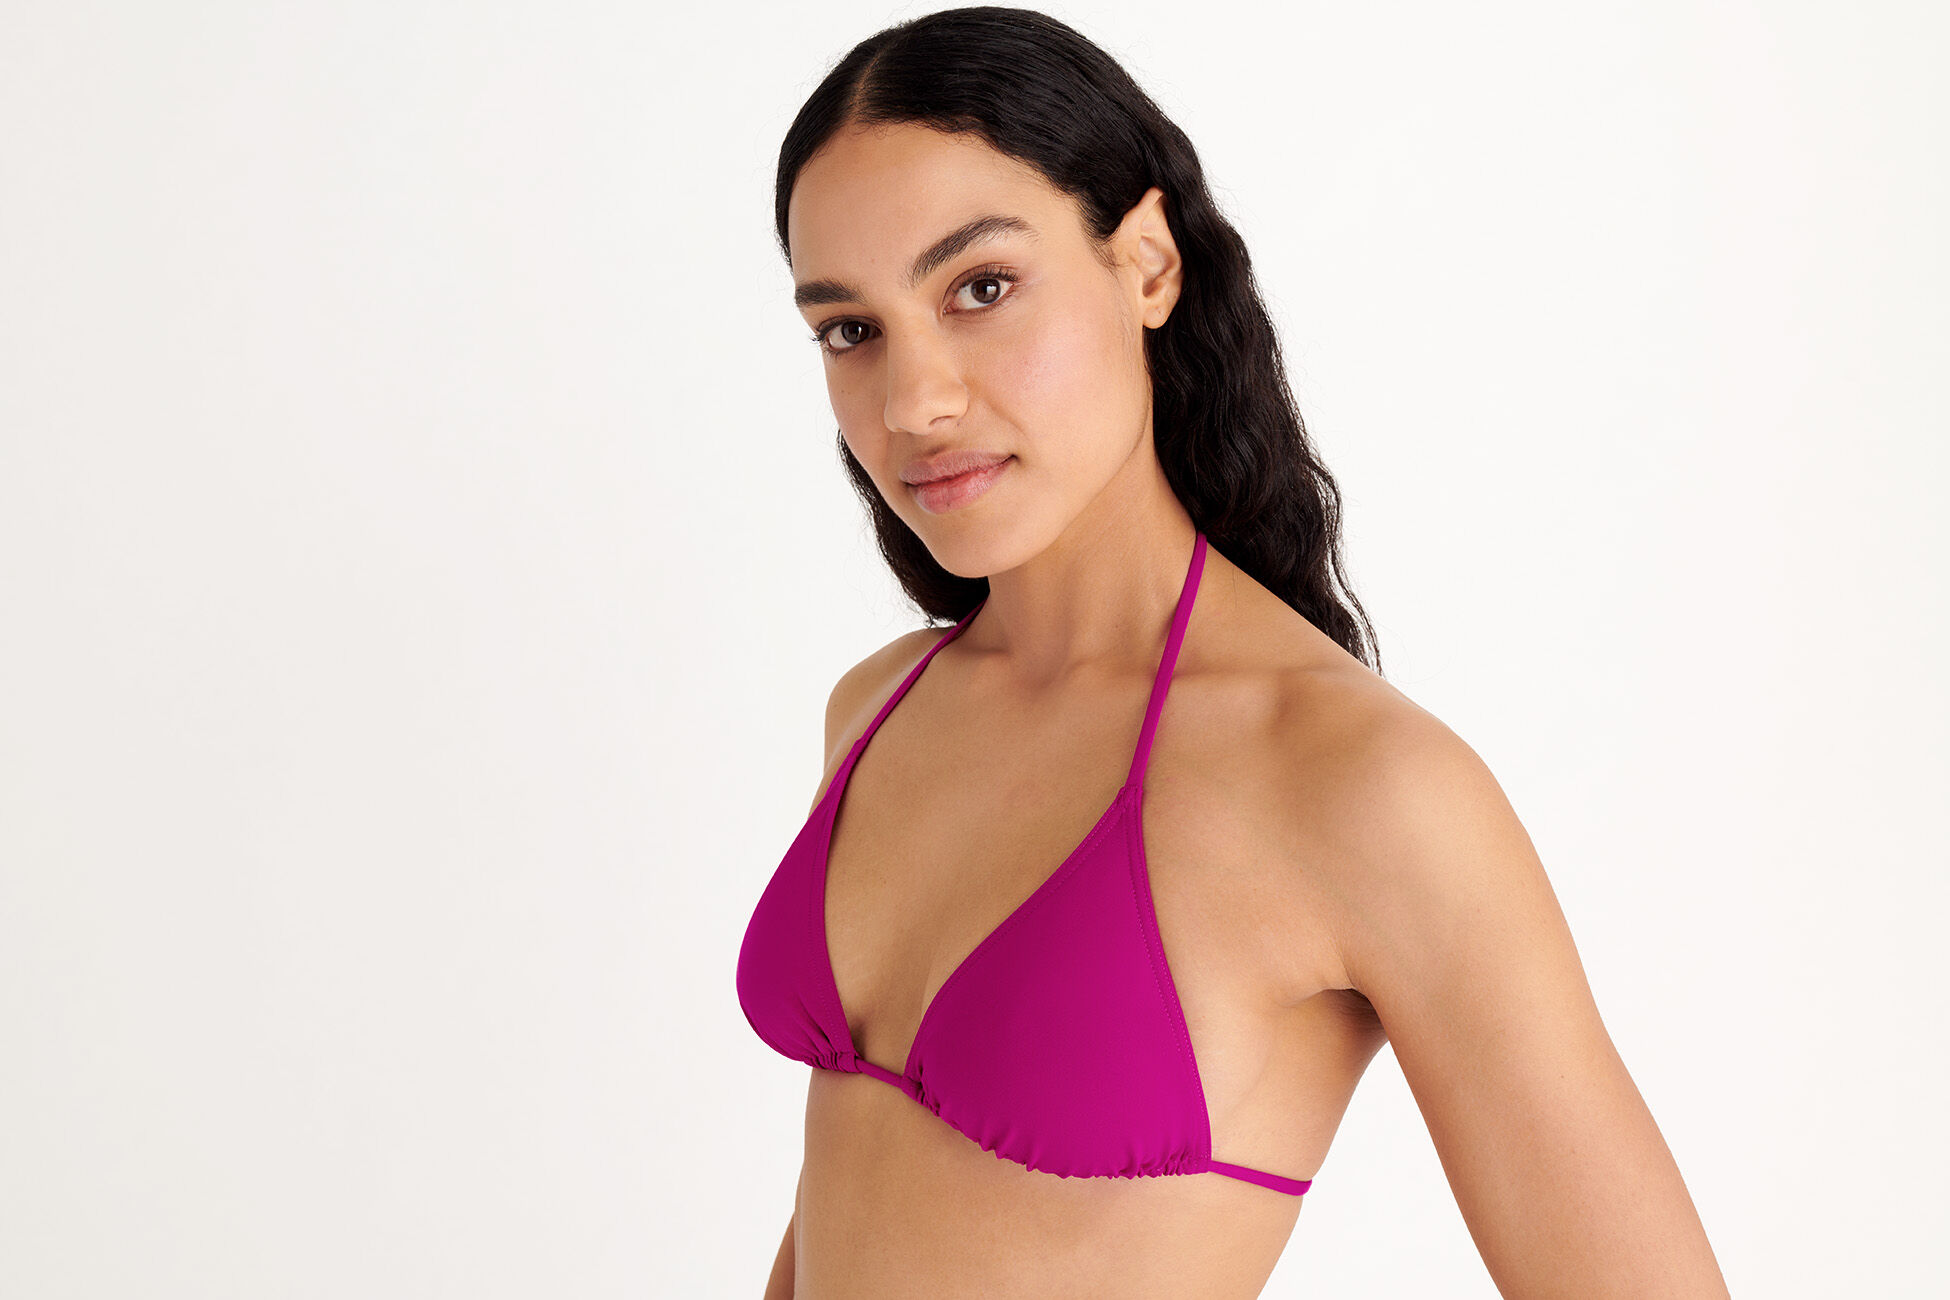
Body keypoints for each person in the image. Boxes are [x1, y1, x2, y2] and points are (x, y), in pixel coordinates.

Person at [737, 7, 1729, 1297]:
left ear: (1147, 265)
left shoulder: (1359, 786)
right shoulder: (878, 708)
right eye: (850, 329)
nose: (914, 401)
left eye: (981, 289)